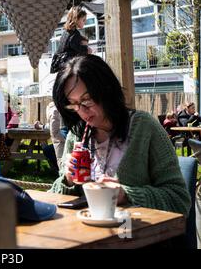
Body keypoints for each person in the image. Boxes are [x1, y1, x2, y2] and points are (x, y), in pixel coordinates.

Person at [49, 56, 191, 216]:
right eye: (73, 104)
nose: (82, 111)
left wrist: (126, 194)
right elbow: (54, 202)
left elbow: (179, 200)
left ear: (107, 91)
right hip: (87, 234)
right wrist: (67, 180)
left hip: (137, 235)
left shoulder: (144, 128)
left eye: (87, 100)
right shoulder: (77, 135)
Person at [50, 6, 93, 73]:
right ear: (76, 19)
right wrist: (86, 49)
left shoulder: (66, 32)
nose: (85, 22)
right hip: (67, 63)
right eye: (83, 20)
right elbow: (76, 46)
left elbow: (70, 46)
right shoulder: (75, 33)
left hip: (58, 62)